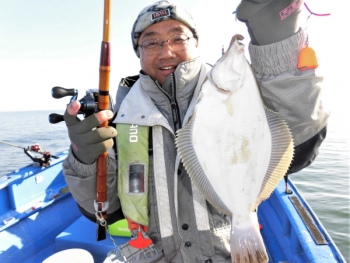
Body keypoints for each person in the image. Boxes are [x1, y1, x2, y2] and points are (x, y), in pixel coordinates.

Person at [62, 0, 329, 262]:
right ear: (138, 52)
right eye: (151, 42)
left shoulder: (239, 93)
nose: (166, 52)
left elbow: (300, 144)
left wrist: (278, 45)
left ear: (196, 43)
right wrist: (83, 159)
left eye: (178, 38)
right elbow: (104, 211)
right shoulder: (119, 119)